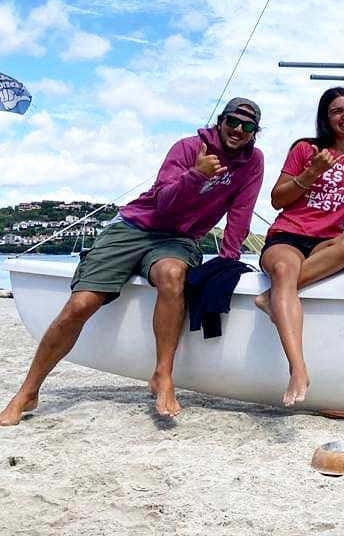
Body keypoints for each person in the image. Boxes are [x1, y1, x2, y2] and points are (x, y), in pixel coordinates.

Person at [0, 99, 265, 424]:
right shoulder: (188, 148)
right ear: (221, 121)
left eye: (248, 126)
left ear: (255, 133)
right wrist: (197, 174)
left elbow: (241, 212)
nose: (238, 130)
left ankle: (162, 375)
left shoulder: (252, 162)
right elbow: (164, 202)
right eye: (233, 122)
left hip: (178, 239)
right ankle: (28, 391)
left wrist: (229, 259)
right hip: (134, 226)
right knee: (82, 303)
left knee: (172, 274)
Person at [255, 87, 344, 407]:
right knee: (284, 269)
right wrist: (312, 172)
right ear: (326, 118)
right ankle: (298, 369)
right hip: (288, 234)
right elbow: (277, 199)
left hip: (327, 241)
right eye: (336, 111)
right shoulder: (305, 149)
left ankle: (272, 297)